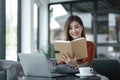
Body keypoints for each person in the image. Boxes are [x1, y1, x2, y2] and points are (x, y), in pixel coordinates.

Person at [53, 15, 109, 80]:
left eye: (76, 27)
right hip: (68, 76)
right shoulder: (63, 45)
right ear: (67, 30)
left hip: (85, 76)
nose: (74, 31)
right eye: (70, 28)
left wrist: (74, 65)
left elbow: (87, 66)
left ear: (81, 27)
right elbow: (59, 65)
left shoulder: (90, 45)